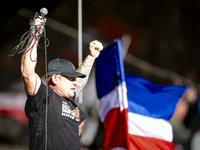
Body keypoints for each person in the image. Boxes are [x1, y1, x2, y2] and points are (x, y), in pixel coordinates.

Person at [20, 17, 103, 150]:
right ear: (55, 79)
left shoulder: (72, 102)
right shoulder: (43, 96)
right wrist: (34, 34)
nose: (75, 82)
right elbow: (27, 73)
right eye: (70, 78)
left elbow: (80, 81)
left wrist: (91, 57)